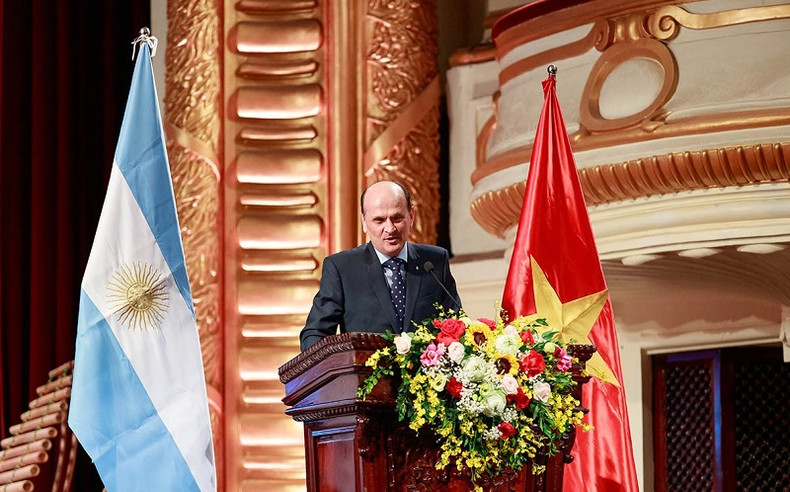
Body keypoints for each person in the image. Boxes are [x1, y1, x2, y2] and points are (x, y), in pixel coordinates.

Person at [299, 180, 461, 351]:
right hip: (367, 375)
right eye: (379, 220)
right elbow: (315, 333)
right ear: (364, 222)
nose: (390, 228)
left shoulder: (435, 261)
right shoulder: (342, 268)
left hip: (427, 375)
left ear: (411, 216)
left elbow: (457, 323)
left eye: (397, 218)